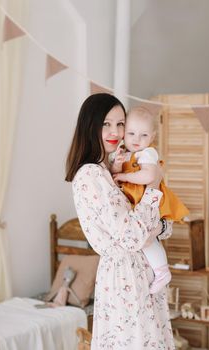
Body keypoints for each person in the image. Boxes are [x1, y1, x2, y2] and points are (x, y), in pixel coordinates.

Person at [65, 93, 174, 349]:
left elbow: (161, 227)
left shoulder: (116, 170)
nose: (115, 131)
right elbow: (133, 236)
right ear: (90, 126)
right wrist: (154, 184)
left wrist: (156, 226)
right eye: (106, 124)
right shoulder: (91, 174)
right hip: (124, 276)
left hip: (141, 270)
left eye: (120, 123)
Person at [110, 107, 190, 294]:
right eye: (131, 133)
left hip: (151, 201)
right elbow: (115, 173)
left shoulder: (148, 153)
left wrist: (124, 176)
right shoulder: (125, 152)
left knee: (148, 238)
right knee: (145, 237)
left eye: (143, 135)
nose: (136, 139)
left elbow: (148, 176)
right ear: (124, 133)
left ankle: (162, 271)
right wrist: (117, 163)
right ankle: (159, 271)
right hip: (138, 202)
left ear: (152, 136)